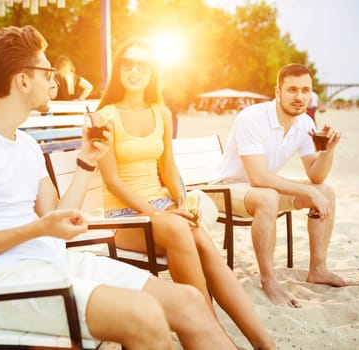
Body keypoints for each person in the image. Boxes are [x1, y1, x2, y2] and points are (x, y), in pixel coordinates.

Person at [0, 25, 237, 349]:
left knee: (188, 301)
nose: (54, 81)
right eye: (48, 73)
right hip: (3, 283)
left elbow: (56, 217)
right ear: (23, 80)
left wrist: (87, 161)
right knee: (146, 315)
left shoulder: (26, 145)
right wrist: (35, 230)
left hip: (53, 263)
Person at [94, 38, 275, 349]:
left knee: (198, 235)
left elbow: (169, 167)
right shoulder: (105, 117)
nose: (134, 70)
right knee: (179, 226)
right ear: (118, 69)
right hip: (126, 219)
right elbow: (112, 182)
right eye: (127, 63)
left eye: (142, 64)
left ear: (152, 72)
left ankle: (264, 344)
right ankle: (212, 335)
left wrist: (182, 202)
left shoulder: (161, 112)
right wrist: (160, 214)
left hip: (163, 209)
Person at [210, 63, 359, 308]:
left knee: (326, 192)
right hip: (225, 189)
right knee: (269, 195)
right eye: (292, 90)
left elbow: (316, 176)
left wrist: (328, 151)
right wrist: (307, 190)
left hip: (260, 192)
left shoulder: (305, 123)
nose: (299, 97)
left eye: (305, 90)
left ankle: (318, 270)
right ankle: (269, 280)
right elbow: (258, 176)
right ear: (277, 91)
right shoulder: (252, 117)